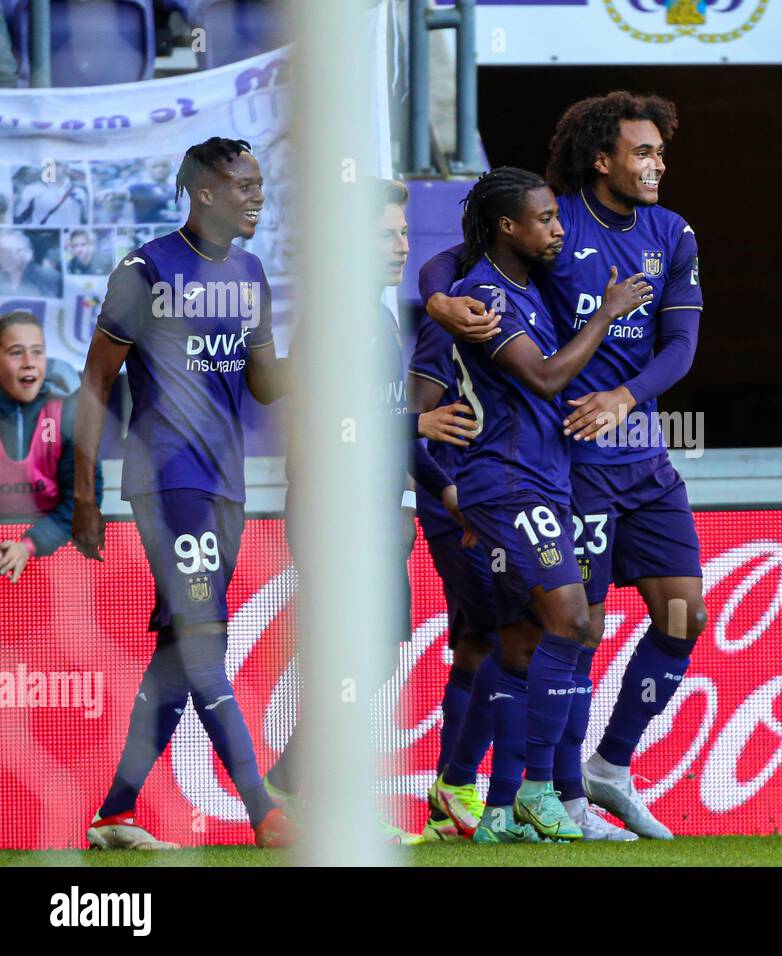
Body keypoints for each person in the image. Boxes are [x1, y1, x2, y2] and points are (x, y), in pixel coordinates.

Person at [423, 91, 706, 841]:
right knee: (576, 628)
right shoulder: (554, 224)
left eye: (659, 151)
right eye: (642, 152)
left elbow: (680, 349)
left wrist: (625, 393)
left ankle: (611, 766)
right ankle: (561, 793)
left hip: (642, 455)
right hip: (568, 464)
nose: (657, 164)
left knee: (685, 614)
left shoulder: (671, 233)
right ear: (603, 158)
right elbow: (457, 258)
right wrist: (438, 301)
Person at [73, 137, 293, 850]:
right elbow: (95, 383)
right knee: (203, 644)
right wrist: (85, 495)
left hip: (225, 481)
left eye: (260, 184)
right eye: (244, 185)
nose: (258, 195)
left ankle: (115, 813)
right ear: (204, 193)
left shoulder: (252, 272)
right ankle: (266, 810)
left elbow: (263, 384)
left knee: (180, 650)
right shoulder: (145, 269)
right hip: (169, 480)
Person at [439, 166, 650, 843]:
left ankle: (500, 810)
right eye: (545, 220)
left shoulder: (528, 287)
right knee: (571, 620)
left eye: (560, 218)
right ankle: (537, 788)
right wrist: (608, 313)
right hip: (507, 483)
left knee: (523, 641)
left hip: (540, 481)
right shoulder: (483, 294)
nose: (558, 230)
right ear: (508, 227)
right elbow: (547, 375)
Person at [263, 177, 463, 844]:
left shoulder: (371, 314)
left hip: (370, 512)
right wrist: (416, 429)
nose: (401, 245)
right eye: (385, 234)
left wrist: (419, 479)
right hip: (337, 510)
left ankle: (301, 782)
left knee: (366, 659)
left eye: (404, 232)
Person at [407, 261, 503, 842]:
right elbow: (413, 421)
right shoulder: (454, 315)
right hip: (462, 506)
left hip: (501, 498)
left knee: (477, 645)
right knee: (507, 637)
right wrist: (450, 491)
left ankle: (451, 806)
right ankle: (461, 784)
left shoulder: (527, 303)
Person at [0, 311, 102, 582]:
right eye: (15, 352)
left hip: (56, 560)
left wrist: (27, 545)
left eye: (37, 352)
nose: (29, 363)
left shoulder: (69, 413)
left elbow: (83, 500)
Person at [14, 164, 89, 227]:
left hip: (71, 238)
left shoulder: (78, 192)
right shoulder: (32, 189)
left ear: (66, 167)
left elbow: (86, 219)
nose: (53, 167)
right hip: (43, 238)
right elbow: (19, 217)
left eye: (57, 164)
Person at [0, 229, 61, 298]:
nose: (6, 256)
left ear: (28, 254)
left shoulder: (47, 277)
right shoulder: (3, 276)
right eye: (2, 251)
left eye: (12, 251)